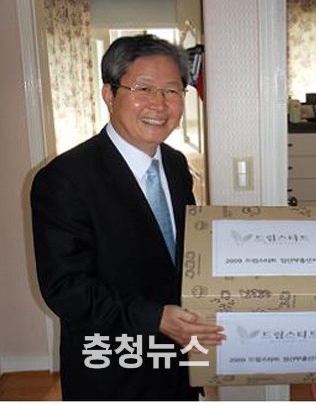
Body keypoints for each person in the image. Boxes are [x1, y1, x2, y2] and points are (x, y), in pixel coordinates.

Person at [30, 35, 224, 400]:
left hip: (177, 365)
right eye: (143, 88)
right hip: (112, 368)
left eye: (172, 91)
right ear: (109, 95)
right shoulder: (64, 179)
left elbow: (185, 256)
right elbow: (67, 289)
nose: (159, 104)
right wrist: (155, 318)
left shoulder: (175, 164)